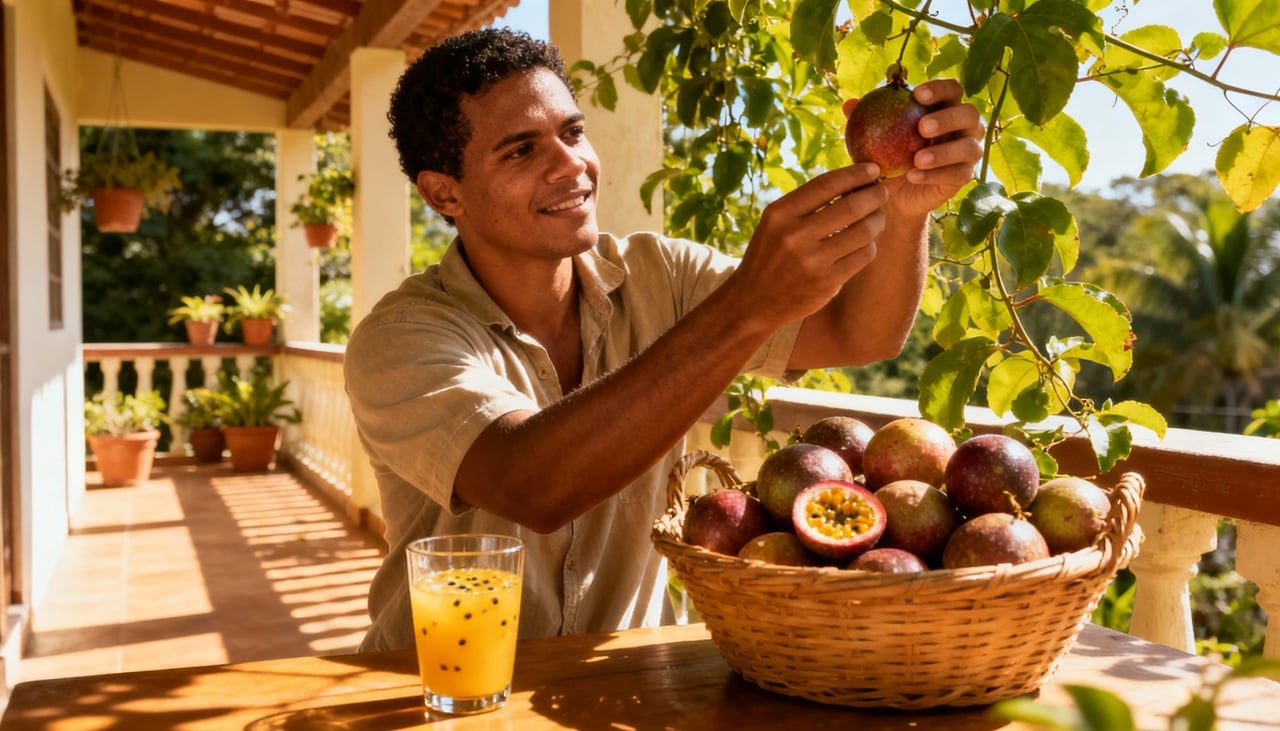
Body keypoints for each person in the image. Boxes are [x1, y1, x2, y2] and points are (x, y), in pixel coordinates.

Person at [344, 26, 984, 652]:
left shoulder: (665, 276)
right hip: (441, 689)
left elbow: (856, 333)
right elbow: (531, 487)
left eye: (572, 132)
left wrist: (905, 208)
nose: (572, 165)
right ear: (443, 193)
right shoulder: (402, 338)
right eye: (520, 151)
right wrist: (744, 307)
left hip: (632, 683)